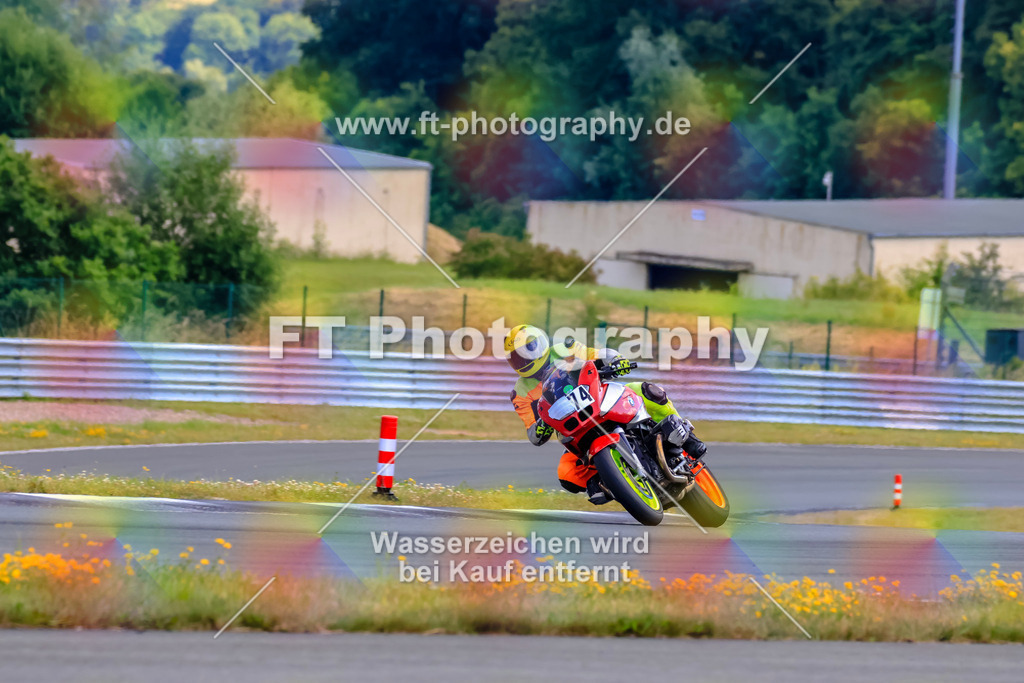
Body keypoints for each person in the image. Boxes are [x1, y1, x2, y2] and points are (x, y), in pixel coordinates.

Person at [503, 324, 707, 505]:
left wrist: (616, 360)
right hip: (573, 430)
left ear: (539, 343)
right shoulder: (520, 393)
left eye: (527, 350)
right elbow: (533, 434)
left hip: (600, 398)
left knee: (648, 391)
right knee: (567, 474)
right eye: (516, 358)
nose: (523, 360)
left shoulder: (564, 348)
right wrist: (542, 426)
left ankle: (688, 437)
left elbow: (598, 354)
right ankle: (609, 481)